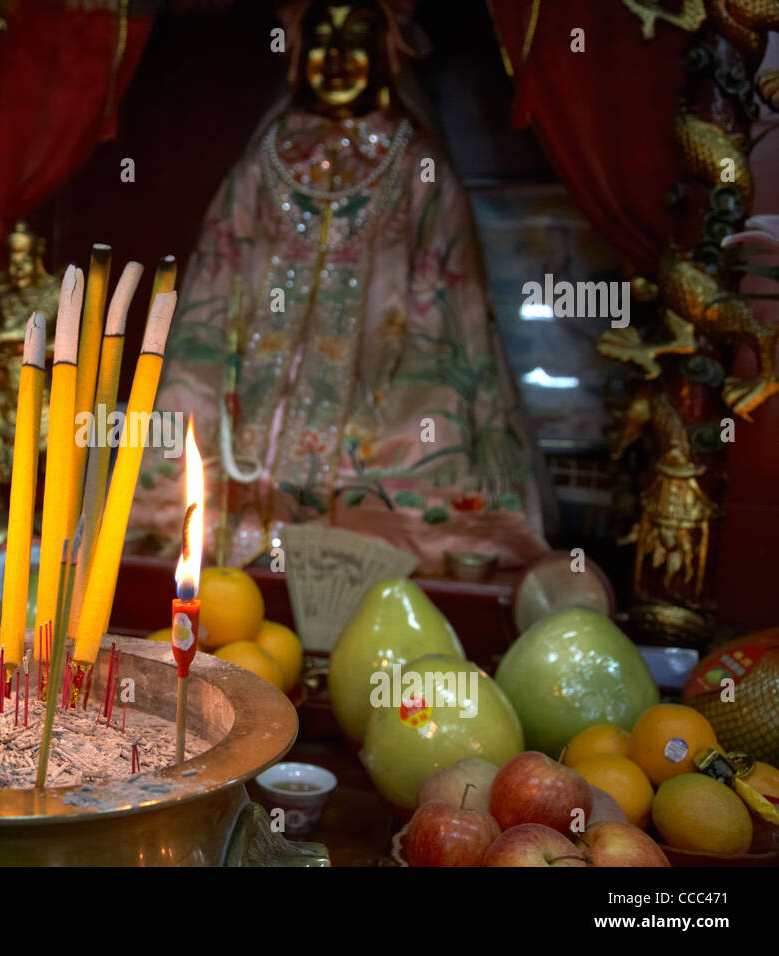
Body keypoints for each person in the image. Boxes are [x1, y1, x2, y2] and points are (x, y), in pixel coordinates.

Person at [132, 0, 549, 574]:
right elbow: (214, 278)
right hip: (255, 394)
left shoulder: (418, 166)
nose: (335, 58)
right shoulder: (268, 159)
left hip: (383, 389)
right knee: (179, 428)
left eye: (356, 40)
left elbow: (456, 304)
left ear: (387, 54)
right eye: (322, 40)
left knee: (433, 439)